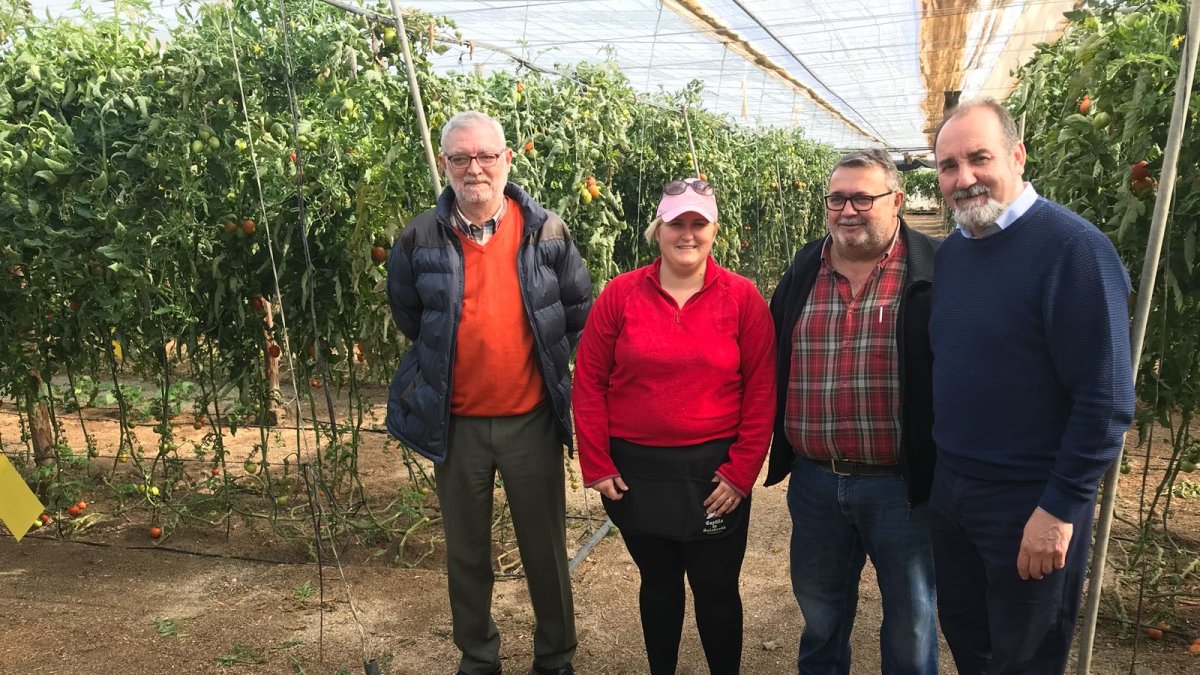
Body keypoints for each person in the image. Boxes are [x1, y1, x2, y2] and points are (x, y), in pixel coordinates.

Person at [929, 99, 1135, 674]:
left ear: (1017, 155)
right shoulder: (953, 255)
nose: (963, 178)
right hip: (956, 489)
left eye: (979, 158)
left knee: (1026, 654)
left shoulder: (1074, 250)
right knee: (969, 637)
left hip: (1028, 498)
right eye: (949, 166)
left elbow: (1107, 398)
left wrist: (1060, 507)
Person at [385, 110, 592, 675]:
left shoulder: (547, 230)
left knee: (545, 550)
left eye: (485, 156)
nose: (473, 168)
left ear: (506, 160)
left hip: (530, 419)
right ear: (445, 164)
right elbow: (409, 313)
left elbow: (576, 310)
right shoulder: (419, 236)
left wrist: (546, 369)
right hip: (457, 423)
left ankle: (555, 657)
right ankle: (479, 657)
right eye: (460, 158)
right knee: (467, 551)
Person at [573, 177, 776, 674]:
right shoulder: (621, 295)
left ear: (714, 231)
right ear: (657, 229)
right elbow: (589, 382)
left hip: (714, 474)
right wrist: (597, 463)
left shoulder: (742, 298)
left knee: (716, 587)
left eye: (698, 224)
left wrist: (740, 471)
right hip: (636, 473)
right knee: (658, 582)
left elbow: (762, 390)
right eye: (676, 223)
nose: (687, 234)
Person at [763, 149, 940, 674]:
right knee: (821, 618)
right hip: (816, 482)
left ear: (897, 201)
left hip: (902, 489)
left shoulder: (934, 271)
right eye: (837, 199)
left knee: (911, 623)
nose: (848, 210)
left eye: (863, 197)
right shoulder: (803, 270)